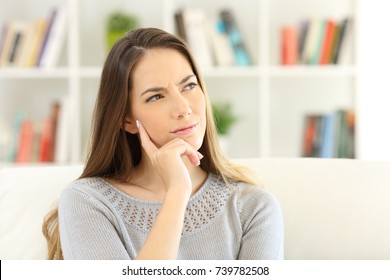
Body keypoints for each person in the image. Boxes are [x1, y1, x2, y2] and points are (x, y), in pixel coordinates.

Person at [42, 27, 284, 260]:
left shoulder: (253, 206)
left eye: (189, 85)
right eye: (156, 96)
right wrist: (177, 192)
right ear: (126, 119)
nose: (183, 109)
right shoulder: (88, 202)